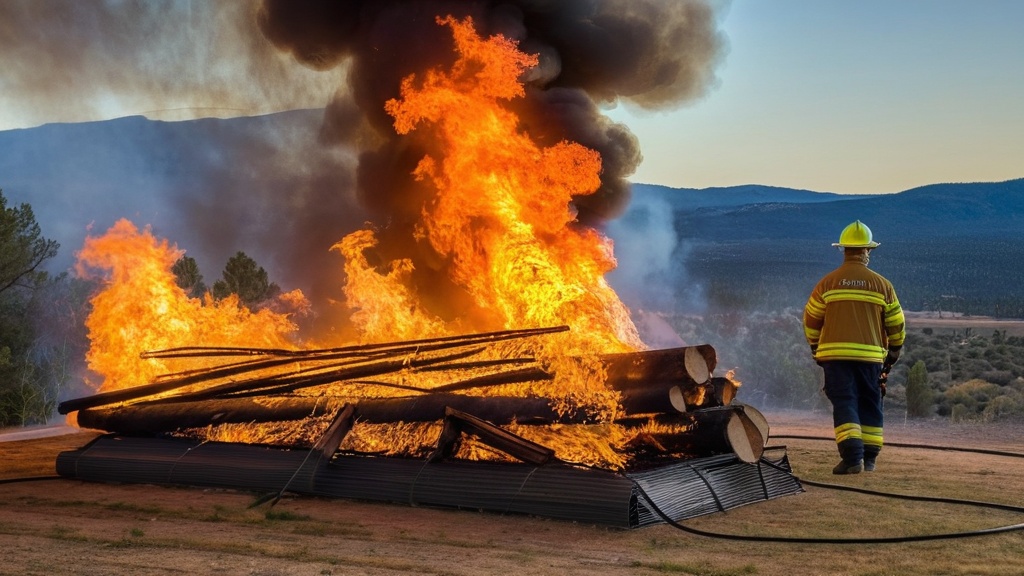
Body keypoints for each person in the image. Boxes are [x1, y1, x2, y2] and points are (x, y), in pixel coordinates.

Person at [803, 220, 906, 474]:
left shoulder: (827, 283)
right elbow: (896, 324)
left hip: (835, 357)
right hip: (871, 358)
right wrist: (893, 352)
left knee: (845, 402)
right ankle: (869, 459)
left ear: (844, 250)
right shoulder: (883, 285)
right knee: (870, 402)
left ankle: (851, 459)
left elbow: (811, 320)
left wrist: (816, 347)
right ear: (866, 251)